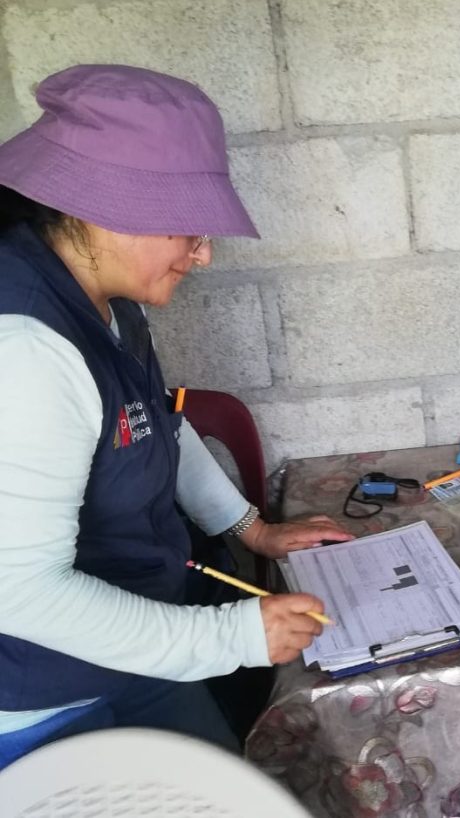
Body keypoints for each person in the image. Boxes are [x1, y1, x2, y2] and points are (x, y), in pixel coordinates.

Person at [0, 64, 353, 769]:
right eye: (186, 229)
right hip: (48, 698)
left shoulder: (109, 299)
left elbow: (155, 424)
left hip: (133, 648)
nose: (204, 252)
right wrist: (232, 638)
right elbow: (21, 593)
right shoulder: (26, 351)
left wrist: (255, 528)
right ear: (99, 205)